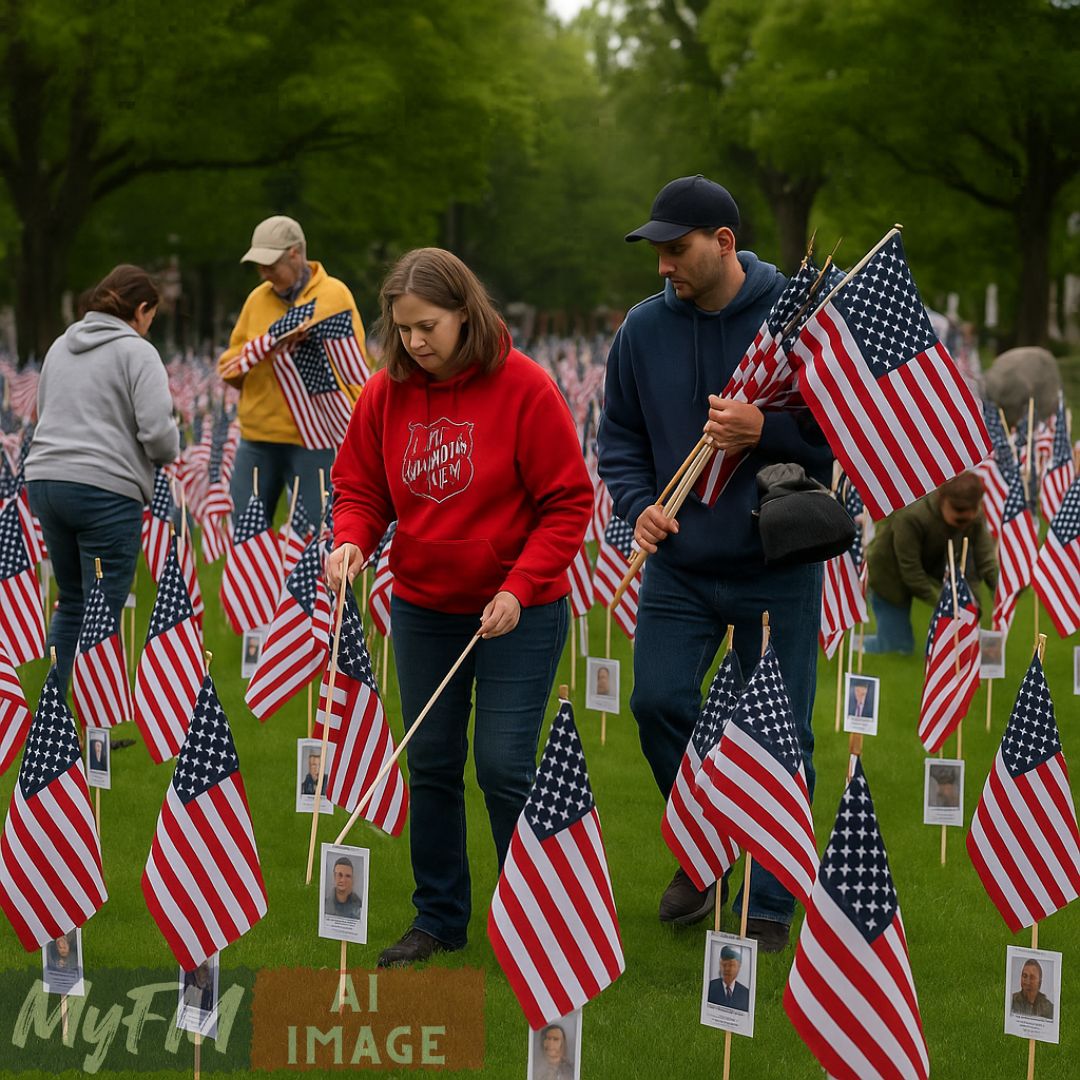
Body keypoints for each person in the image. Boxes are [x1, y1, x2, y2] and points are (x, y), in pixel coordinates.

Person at [327, 248, 592, 967]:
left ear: (464, 313)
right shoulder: (385, 395)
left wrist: (520, 585)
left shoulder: (527, 388)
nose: (415, 341)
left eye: (429, 326)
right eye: (404, 328)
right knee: (433, 763)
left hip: (518, 608)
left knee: (503, 766)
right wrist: (351, 542)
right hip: (422, 607)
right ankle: (439, 918)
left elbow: (568, 503)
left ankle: (533, 923)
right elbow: (361, 489)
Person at [597, 175, 832, 951]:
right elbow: (620, 442)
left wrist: (765, 426)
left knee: (783, 735)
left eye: (677, 249)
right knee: (657, 702)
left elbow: (837, 443)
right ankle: (704, 856)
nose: (664, 265)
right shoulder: (641, 330)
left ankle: (768, 903)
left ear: (724, 242)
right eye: (658, 252)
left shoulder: (797, 318)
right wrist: (639, 507)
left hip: (780, 561)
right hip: (680, 566)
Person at [25, 265, 179, 690]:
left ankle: (53, 721)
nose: (151, 325)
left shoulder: (61, 345)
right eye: (152, 315)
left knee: (72, 601)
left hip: (45, 481)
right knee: (104, 608)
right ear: (142, 309)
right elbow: (157, 431)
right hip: (105, 490)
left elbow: (41, 410)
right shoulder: (138, 352)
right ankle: (95, 733)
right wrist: (171, 448)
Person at [217, 216, 369, 524]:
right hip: (258, 437)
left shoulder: (333, 295)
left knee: (318, 535)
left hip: (316, 439)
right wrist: (267, 344)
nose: (263, 272)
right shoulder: (256, 299)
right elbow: (229, 367)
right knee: (246, 534)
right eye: (259, 265)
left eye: (270, 264)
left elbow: (355, 367)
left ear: (295, 254)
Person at [864, 472, 998, 655]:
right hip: (890, 570)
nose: (967, 520)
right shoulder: (911, 515)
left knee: (959, 639)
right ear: (942, 499)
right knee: (896, 647)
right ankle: (861, 647)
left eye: (972, 512)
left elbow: (984, 557)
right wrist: (949, 607)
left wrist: (1001, 589)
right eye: (959, 514)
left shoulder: (971, 513)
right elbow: (912, 572)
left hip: (938, 562)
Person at [707, 945, 750, 1011]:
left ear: (739, 966)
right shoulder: (709, 987)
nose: (726, 969)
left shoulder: (746, 994)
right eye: (724, 964)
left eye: (731, 965)